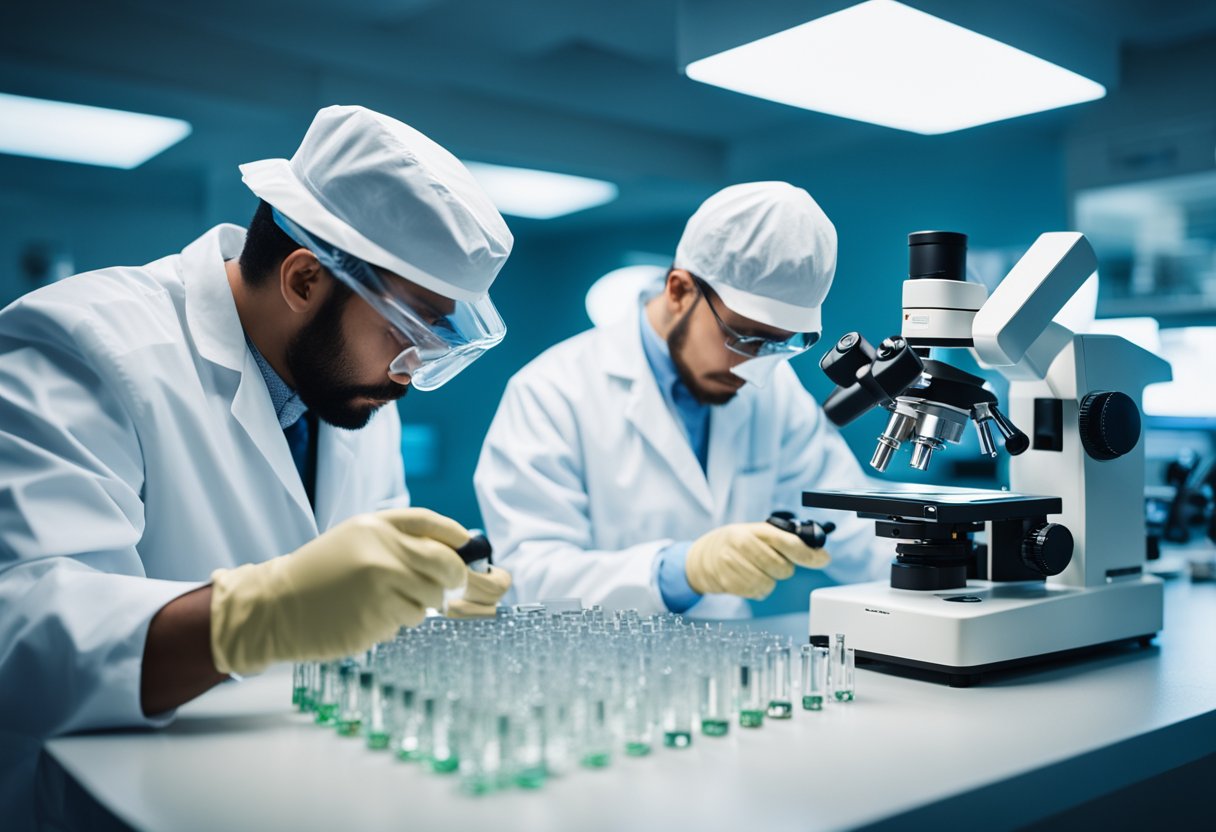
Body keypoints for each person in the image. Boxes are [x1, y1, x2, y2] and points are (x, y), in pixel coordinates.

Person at [0, 105, 513, 826]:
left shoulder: (351, 390)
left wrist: (422, 604)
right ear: (304, 281)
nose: (410, 372)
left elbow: (340, 606)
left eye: (434, 346)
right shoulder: (85, 343)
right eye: (407, 331)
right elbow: (20, 633)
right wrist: (251, 618)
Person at [475, 181, 889, 618]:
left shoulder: (776, 388)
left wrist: (946, 558)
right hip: (596, 669)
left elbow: (850, 526)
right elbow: (529, 575)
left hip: (730, 665)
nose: (756, 368)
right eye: (744, 338)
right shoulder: (551, 391)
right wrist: (680, 569)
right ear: (678, 291)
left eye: (780, 346)